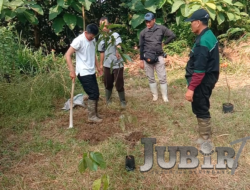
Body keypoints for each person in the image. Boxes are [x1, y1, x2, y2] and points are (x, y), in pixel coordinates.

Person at [184, 9, 220, 143]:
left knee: (200, 106)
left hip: (202, 80)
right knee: (202, 102)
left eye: (192, 22)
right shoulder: (209, 34)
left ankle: (205, 137)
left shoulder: (202, 42)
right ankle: (205, 134)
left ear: (198, 23)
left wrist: (191, 88)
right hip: (209, 77)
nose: (191, 25)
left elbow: (199, 71)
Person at [65, 23, 103, 123]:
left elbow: (93, 54)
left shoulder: (93, 39)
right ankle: (91, 117)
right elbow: (67, 55)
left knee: (96, 93)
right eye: (91, 36)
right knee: (93, 93)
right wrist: (72, 71)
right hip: (83, 72)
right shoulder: (79, 40)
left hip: (91, 71)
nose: (92, 38)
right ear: (86, 32)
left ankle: (95, 113)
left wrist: (98, 67)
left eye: (94, 36)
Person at [139, 13, 175, 102]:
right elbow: (141, 47)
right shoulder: (143, 32)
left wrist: (164, 43)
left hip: (159, 56)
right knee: (151, 78)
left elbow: (172, 35)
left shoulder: (161, 28)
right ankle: (155, 96)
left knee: (162, 77)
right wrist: (141, 60)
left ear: (154, 20)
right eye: (146, 22)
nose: (148, 24)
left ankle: (164, 96)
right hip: (147, 57)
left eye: (149, 22)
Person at [98, 17, 126, 108]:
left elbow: (118, 45)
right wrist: (101, 64)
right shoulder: (101, 37)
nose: (104, 28)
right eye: (102, 26)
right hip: (107, 65)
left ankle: (122, 101)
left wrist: (118, 51)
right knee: (107, 83)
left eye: (105, 25)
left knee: (119, 83)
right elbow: (101, 52)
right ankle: (108, 100)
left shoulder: (115, 35)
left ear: (109, 25)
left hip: (117, 64)